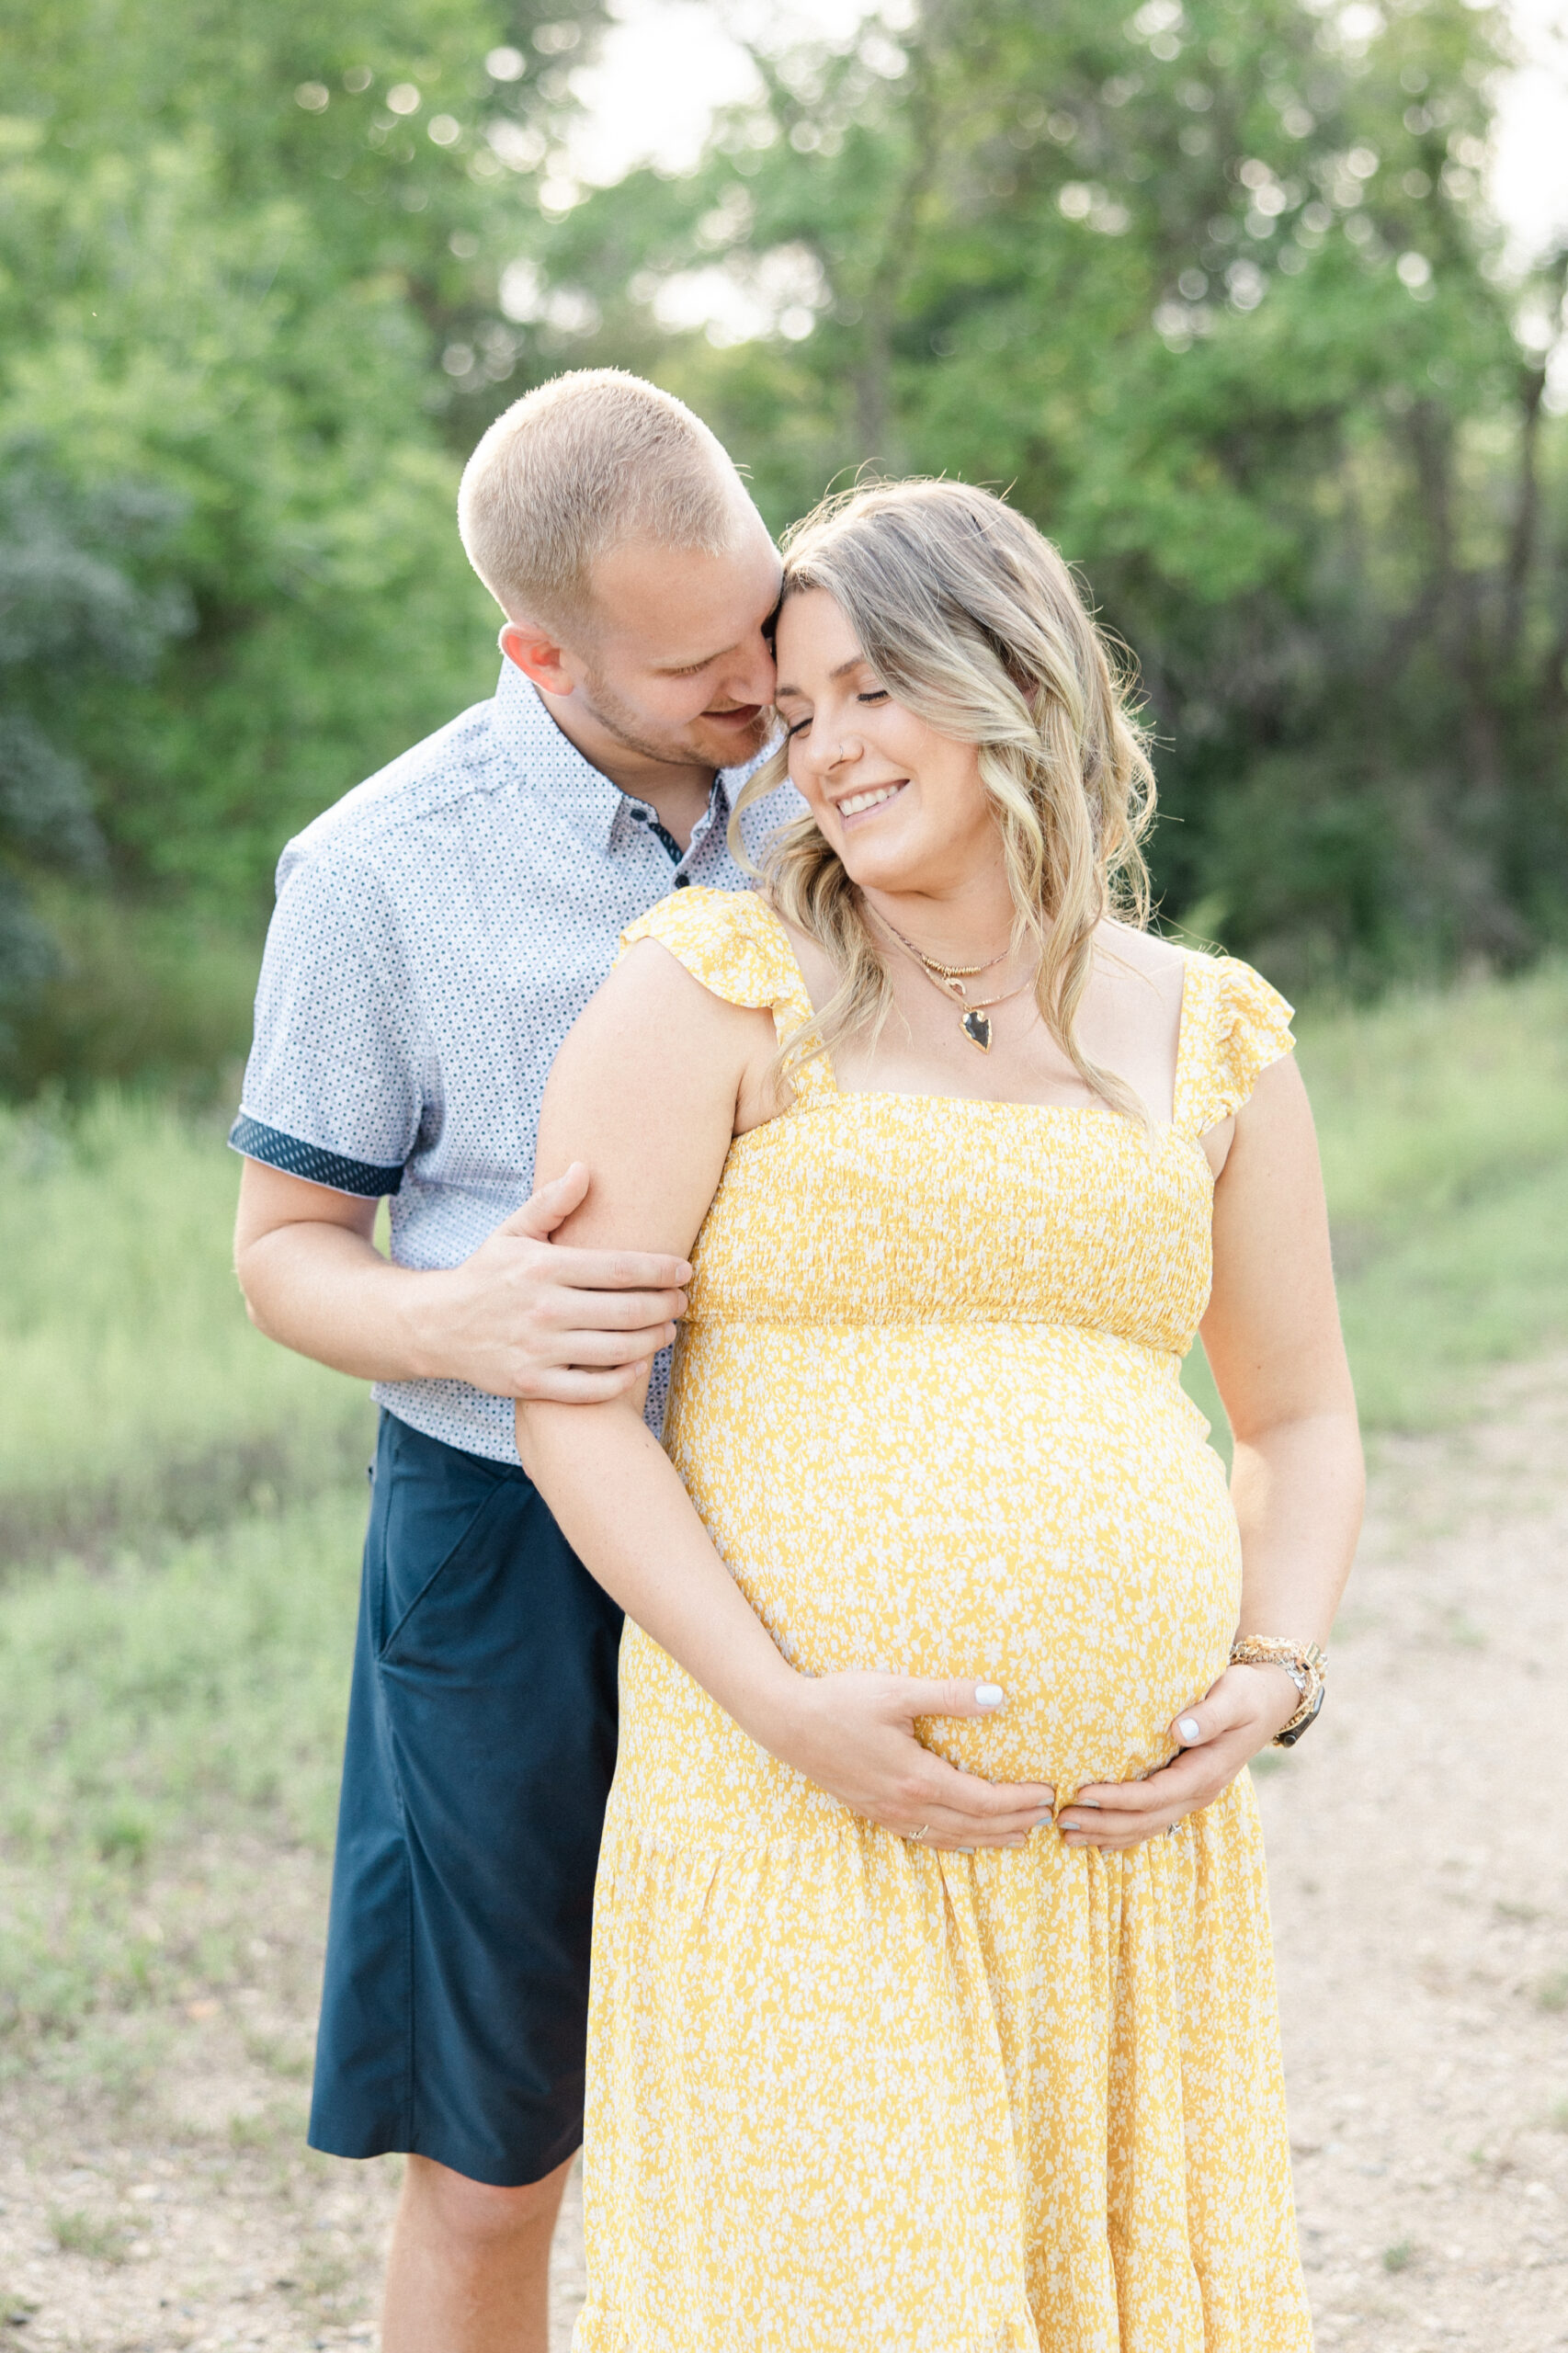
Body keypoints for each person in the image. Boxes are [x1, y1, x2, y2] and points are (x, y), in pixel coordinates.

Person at [230, 377, 1055, 2353]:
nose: (765, 687)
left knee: (855, 2106)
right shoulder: (374, 874)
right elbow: (281, 1255)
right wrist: (452, 1319)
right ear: (540, 649)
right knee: (501, 2138)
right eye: (700, 666)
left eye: (764, 619)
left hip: (823, 1517)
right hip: (508, 1544)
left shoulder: (836, 776)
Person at [517, 477, 1365, 2351]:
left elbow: (1297, 1419)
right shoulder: (712, 992)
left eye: (866, 690)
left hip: (1116, 1857)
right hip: (790, 1801)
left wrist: (1275, 1665)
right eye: (794, 713)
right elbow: (572, 1408)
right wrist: (783, 1705)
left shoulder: (1213, 1031)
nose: (822, 750)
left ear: (1008, 676)